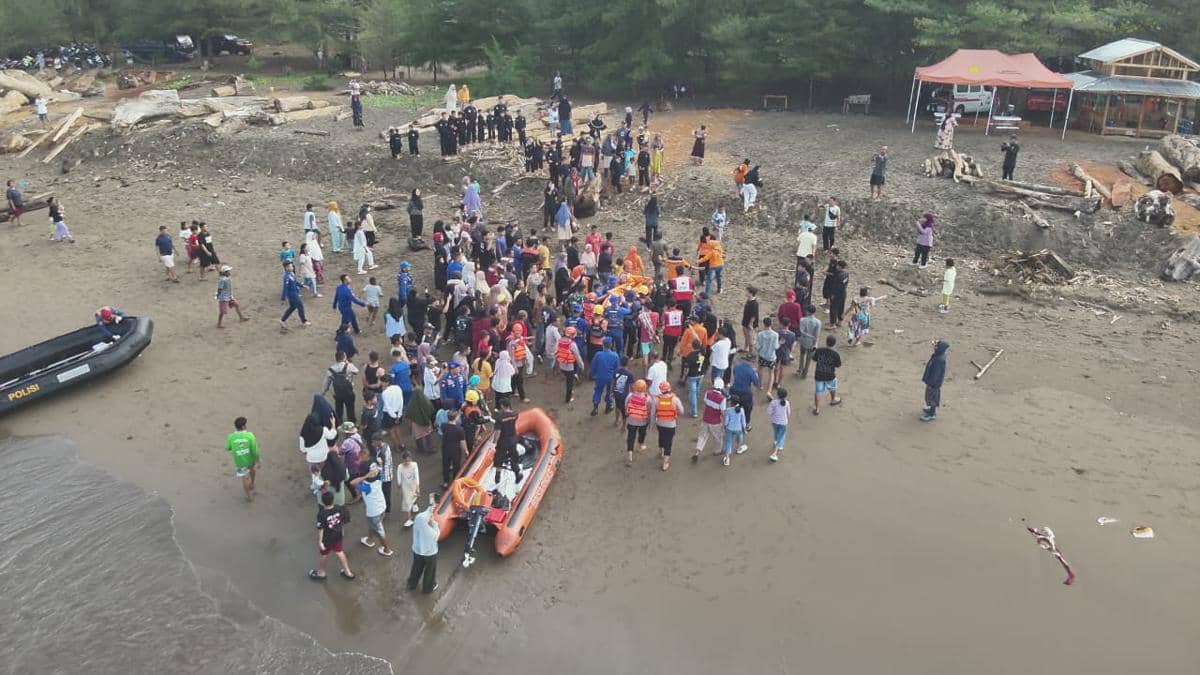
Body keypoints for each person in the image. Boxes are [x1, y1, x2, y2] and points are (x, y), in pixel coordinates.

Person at [311, 490, 355, 581]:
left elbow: (321, 529)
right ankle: (348, 572)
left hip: (327, 539)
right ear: (333, 500)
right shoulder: (338, 508)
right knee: (339, 552)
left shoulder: (322, 514)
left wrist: (320, 541)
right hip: (338, 535)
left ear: (323, 502)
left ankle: (321, 573)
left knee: (324, 554)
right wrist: (341, 530)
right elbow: (343, 520)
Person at [407, 495, 440, 594]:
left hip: (417, 549)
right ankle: (428, 587)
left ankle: (412, 583)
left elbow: (430, 510)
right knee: (430, 571)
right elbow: (436, 536)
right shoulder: (426, 523)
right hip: (429, 552)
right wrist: (434, 524)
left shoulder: (419, 517)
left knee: (416, 567)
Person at [651, 381, 683, 471]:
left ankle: (660, 452)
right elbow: (682, 411)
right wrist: (675, 412)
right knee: (668, 442)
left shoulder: (656, 399)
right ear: (669, 389)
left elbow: (653, 413)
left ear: (660, 390)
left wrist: (652, 424)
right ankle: (665, 463)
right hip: (671, 424)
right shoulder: (675, 399)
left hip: (660, 423)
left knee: (661, 436)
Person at [225, 416, 260, 501]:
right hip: (250, 459)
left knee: (244, 478)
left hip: (240, 462)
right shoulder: (250, 435)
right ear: (243, 427)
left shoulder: (231, 437)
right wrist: (258, 460)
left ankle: (249, 497)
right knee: (252, 469)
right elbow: (255, 450)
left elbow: (227, 448)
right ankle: (252, 483)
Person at [323, 350, 359, 425]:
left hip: (337, 393)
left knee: (338, 409)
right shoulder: (349, 366)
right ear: (344, 357)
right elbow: (356, 371)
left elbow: (326, 384)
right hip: (348, 392)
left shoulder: (330, 370)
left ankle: (338, 423)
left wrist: (323, 393)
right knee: (350, 409)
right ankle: (352, 424)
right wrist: (348, 362)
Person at [492, 398, 521, 483]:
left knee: (499, 458)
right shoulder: (515, 414)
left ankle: (497, 477)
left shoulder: (499, 418)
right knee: (513, 456)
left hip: (503, 441)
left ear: (502, 406)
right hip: (512, 439)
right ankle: (517, 474)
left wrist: (494, 441)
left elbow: (498, 432)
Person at [812, 335, 842, 415]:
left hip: (819, 374)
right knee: (832, 387)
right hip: (830, 375)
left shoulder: (819, 350)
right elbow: (838, 365)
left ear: (826, 342)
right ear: (834, 344)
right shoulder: (835, 354)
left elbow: (814, 359)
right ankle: (833, 399)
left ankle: (817, 408)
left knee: (818, 391)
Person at [624, 379, 651, 466]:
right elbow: (649, 409)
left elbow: (626, 405)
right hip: (642, 421)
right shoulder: (647, 398)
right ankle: (641, 444)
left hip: (631, 420)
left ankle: (630, 454)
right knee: (642, 433)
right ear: (645, 388)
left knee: (631, 437)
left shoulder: (630, 396)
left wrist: (627, 414)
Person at [590, 337, 620, 416]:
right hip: (611, 377)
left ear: (603, 345)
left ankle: (595, 407)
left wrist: (592, 374)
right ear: (611, 345)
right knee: (609, 391)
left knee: (598, 390)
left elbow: (593, 366)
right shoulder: (615, 355)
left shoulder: (598, 354)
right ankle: (608, 406)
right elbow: (617, 369)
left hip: (599, 377)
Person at [921, 340, 949, 422]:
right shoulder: (937, 356)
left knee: (932, 398)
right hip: (932, 382)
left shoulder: (939, 360)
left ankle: (931, 414)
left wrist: (931, 383)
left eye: (936, 346)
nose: (934, 347)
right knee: (929, 397)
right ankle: (930, 410)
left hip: (933, 384)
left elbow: (935, 374)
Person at [555, 326, 585, 403]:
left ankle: (570, 390)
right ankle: (568, 399)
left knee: (568, 379)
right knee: (569, 383)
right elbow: (577, 356)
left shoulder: (559, 341)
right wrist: (582, 366)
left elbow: (556, 352)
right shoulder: (572, 344)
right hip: (569, 367)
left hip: (561, 365)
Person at [440, 408, 468, 487]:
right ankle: (455, 482)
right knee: (456, 465)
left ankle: (445, 482)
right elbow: (462, 442)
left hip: (445, 448)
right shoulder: (460, 429)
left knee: (445, 465)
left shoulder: (443, 426)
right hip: (455, 450)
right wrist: (466, 451)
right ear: (456, 418)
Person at [280, 261, 310, 330]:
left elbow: (295, 282)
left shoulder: (291, 274)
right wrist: (283, 298)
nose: (292, 267)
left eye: (292, 266)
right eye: (290, 266)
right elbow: (285, 288)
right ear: (286, 268)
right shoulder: (286, 277)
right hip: (292, 295)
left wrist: (303, 286)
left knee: (292, 307)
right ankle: (304, 321)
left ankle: (283, 320)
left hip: (295, 293)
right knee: (300, 306)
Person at [681, 339, 706, 417]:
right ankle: (695, 396)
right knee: (696, 390)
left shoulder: (690, 356)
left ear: (692, 346)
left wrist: (684, 377)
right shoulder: (702, 353)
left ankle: (694, 412)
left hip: (692, 376)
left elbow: (686, 369)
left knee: (692, 393)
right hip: (701, 374)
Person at [721, 395, 748, 467]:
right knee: (739, 439)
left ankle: (727, 459)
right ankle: (739, 449)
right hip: (738, 429)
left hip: (729, 429)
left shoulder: (728, 410)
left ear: (731, 402)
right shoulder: (741, 410)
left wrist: (725, 426)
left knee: (728, 442)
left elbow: (726, 421)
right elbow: (743, 421)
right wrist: (744, 429)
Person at [396, 450, 421, 527]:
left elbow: (417, 476)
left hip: (413, 485)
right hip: (405, 487)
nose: (407, 462)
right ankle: (409, 519)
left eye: (408, 460)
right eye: (406, 460)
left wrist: (417, 487)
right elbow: (399, 478)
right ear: (403, 460)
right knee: (407, 502)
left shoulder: (414, 465)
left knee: (414, 496)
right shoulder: (400, 467)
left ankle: (415, 504)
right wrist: (399, 486)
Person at [755, 317, 780, 390]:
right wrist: (780, 343)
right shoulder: (775, 334)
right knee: (771, 373)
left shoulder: (760, 334)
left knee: (760, 369)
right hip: (771, 357)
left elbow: (757, 346)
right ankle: (769, 389)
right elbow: (776, 347)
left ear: (764, 324)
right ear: (771, 324)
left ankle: (760, 384)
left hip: (762, 355)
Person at [767, 388, 791, 462]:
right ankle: (775, 453)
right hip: (783, 422)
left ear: (777, 395)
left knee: (776, 432)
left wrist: (773, 415)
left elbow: (769, 412)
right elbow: (789, 413)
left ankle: (776, 441)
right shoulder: (787, 403)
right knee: (781, 435)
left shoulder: (773, 402)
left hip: (774, 421)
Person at [741, 287, 759, 352]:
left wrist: (750, 324)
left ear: (751, 293)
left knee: (750, 339)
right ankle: (746, 348)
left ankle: (751, 353)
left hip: (750, 324)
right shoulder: (748, 300)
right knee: (746, 336)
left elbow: (754, 315)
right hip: (745, 321)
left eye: (747, 292)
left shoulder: (754, 303)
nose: (746, 293)